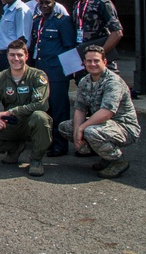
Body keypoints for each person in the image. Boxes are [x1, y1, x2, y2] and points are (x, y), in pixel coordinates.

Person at [0, 39, 52, 177]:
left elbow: (40, 105)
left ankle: (36, 160)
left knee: (40, 117)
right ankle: (14, 148)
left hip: (30, 123)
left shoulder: (38, 76)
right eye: (12, 55)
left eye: (20, 55)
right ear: (7, 56)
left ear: (26, 56)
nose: (16, 59)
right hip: (9, 125)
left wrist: (12, 111)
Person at [58, 46, 140, 179]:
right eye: (89, 61)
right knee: (66, 127)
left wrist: (82, 129)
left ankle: (118, 161)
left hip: (124, 127)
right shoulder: (85, 81)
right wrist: (76, 133)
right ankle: (105, 156)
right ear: (83, 63)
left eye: (96, 61)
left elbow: (106, 112)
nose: (92, 64)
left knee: (90, 131)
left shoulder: (113, 82)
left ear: (105, 62)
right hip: (103, 124)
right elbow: (80, 108)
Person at [28, 0, 75, 157]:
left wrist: (70, 72)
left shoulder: (63, 21)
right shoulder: (37, 21)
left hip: (57, 72)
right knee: (45, 109)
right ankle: (47, 141)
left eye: (48, 3)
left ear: (54, 3)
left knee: (59, 109)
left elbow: (70, 47)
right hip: (41, 71)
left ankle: (60, 145)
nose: (44, 6)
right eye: (41, 4)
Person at [70, 0, 124, 73]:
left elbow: (117, 33)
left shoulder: (102, 3)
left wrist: (100, 54)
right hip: (82, 58)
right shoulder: (76, 5)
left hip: (100, 61)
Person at [0, 0, 31, 72]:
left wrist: (14, 58)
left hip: (14, 56)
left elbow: (22, 39)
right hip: (5, 54)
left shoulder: (21, 10)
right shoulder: (7, 9)